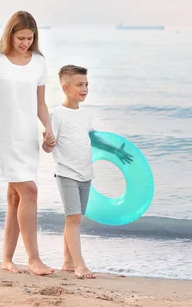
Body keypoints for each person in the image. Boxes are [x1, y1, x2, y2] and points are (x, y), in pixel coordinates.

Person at [0, 10, 56, 276]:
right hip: (1, 137)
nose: (25, 43)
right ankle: (34, 259)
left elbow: (40, 103)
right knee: (30, 192)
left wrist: (48, 128)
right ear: (9, 34)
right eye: (20, 37)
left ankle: (7, 259)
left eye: (29, 38)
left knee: (14, 197)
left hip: (25, 139)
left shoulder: (39, 63)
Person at [42, 65, 133, 279]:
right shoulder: (56, 115)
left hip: (85, 174)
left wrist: (115, 151)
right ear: (65, 87)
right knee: (73, 217)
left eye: (86, 84)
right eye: (80, 85)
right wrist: (47, 144)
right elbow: (48, 147)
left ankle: (67, 261)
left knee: (73, 218)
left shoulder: (85, 115)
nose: (85, 89)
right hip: (66, 173)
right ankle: (80, 265)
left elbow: (94, 139)